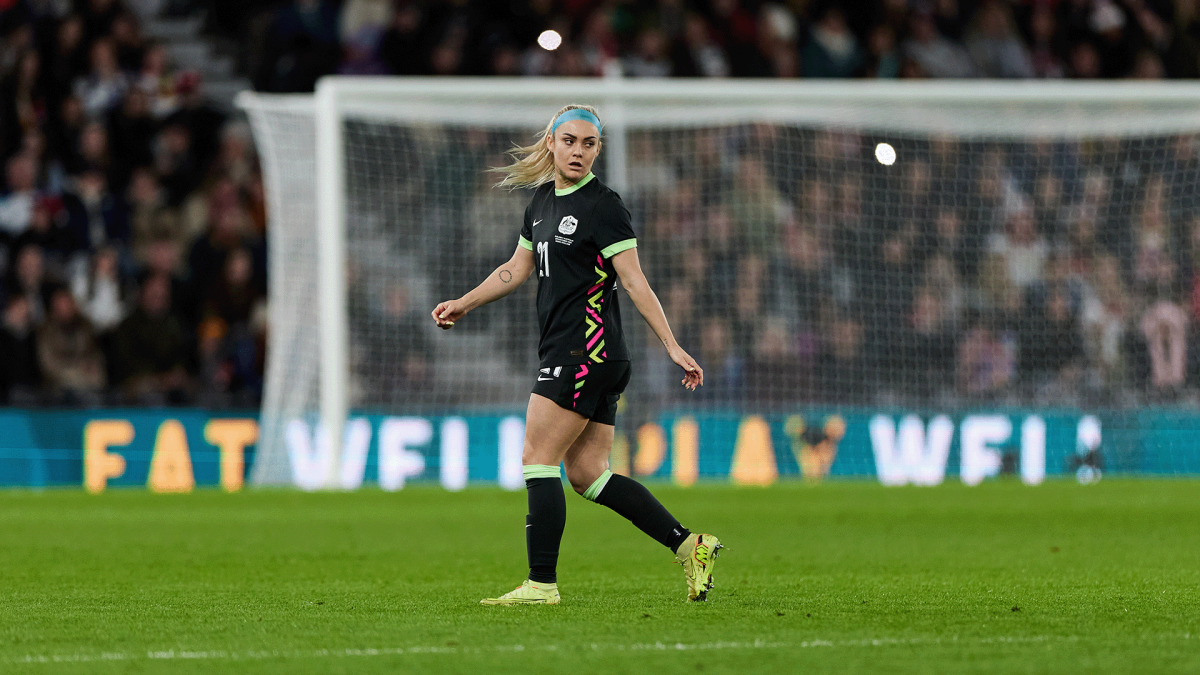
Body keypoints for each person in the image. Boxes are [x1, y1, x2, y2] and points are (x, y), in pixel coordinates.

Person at [431, 105, 721, 605]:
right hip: (591, 356)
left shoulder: (604, 206)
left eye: (589, 144)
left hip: (584, 352)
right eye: (569, 141)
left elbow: (634, 280)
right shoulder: (541, 202)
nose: (578, 151)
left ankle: (541, 584)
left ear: (598, 150)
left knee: (536, 460)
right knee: (587, 475)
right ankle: (689, 545)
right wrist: (465, 302)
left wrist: (671, 345)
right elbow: (516, 267)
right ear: (551, 142)